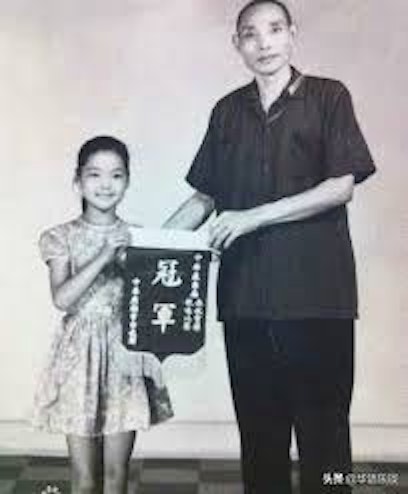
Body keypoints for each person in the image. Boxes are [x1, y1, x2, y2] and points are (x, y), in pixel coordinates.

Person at [163, 1, 376, 493]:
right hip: (245, 300)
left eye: (275, 30)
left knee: (325, 440)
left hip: (317, 299)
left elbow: (340, 186)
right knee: (260, 440)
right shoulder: (227, 111)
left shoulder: (328, 96)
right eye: (251, 34)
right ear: (236, 45)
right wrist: (144, 248)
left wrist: (252, 216)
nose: (264, 43)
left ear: (292, 34)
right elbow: (205, 197)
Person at [31, 135, 173, 494]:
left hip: (125, 357)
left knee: (116, 474)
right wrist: (104, 255)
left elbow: (160, 290)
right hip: (79, 360)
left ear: (127, 181)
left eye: (116, 175)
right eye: (94, 174)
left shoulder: (138, 237)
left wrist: (193, 260)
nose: (106, 184)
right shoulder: (60, 236)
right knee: (83, 479)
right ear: (78, 181)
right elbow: (63, 298)